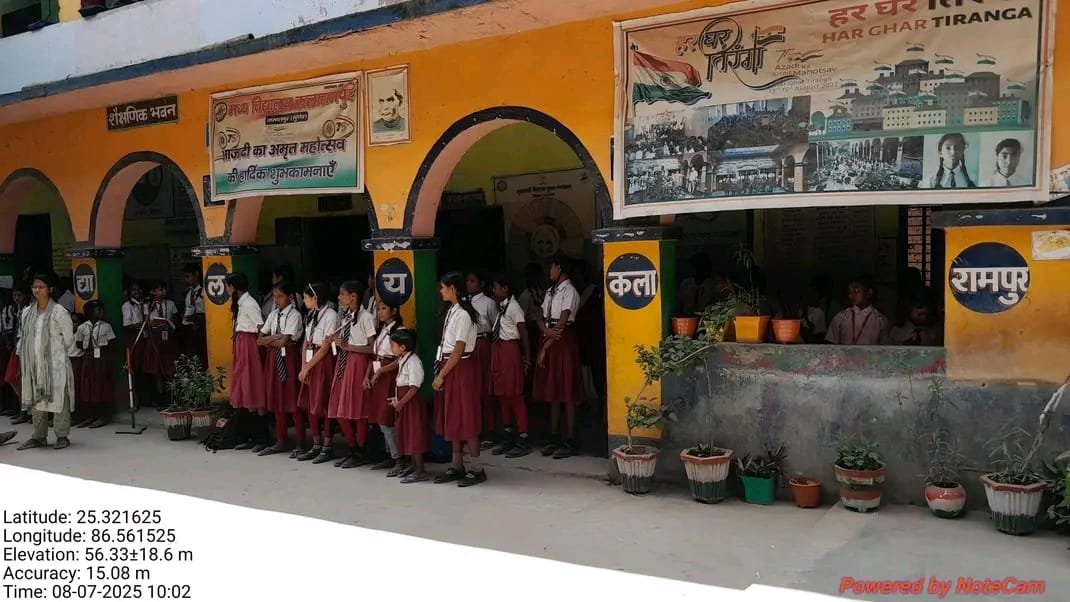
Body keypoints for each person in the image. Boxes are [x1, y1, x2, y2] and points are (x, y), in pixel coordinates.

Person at [432, 271, 485, 487]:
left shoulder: (463, 315)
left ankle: (477, 468)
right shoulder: (452, 311)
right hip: (450, 366)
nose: (440, 291)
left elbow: (458, 349)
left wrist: (441, 375)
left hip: (460, 368)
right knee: (453, 415)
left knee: (467, 416)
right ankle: (457, 465)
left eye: (443, 287)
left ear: (453, 289)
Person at [15, 273, 76, 451]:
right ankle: (39, 436)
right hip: (34, 365)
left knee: (59, 400)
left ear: (50, 289)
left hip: (56, 365)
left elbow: (69, 339)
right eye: (34, 287)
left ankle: (62, 436)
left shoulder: (59, 312)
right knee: (37, 402)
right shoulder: (27, 312)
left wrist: (60, 358)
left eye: (41, 287)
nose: (37, 290)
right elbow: (23, 337)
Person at [323, 280, 378, 468]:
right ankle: (352, 446)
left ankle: (360, 449)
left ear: (353, 296)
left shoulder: (366, 317)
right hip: (343, 362)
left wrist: (349, 346)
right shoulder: (346, 316)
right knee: (339, 408)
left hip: (358, 362)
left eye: (342, 294)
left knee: (357, 410)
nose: (339, 298)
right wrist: (335, 341)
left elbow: (372, 348)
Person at [533, 255, 583, 459]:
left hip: (562, 341)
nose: (549, 272)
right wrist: (546, 332)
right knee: (553, 390)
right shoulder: (550, 291)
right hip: (550, 336)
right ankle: (554, 435)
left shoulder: (569, 291)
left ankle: (570, 438)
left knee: (567, 391)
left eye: (551, 267)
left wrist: (546, 346)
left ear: (560, 267)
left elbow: (562, 323)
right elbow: (539, 315)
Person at [257, 282, 304, 456]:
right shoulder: (273, 314)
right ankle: (281, 440)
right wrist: (276, 337)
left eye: (280, 296)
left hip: (289, 359)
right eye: (274, 297)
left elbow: (285, 342)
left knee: (292, 401)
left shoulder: (294, 315)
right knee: (277, 401)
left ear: (290, 297)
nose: (276, 300)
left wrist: (271, 340)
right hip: (274, 359)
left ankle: (300, 442)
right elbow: (259, 340)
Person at [488, 273, 532, 457]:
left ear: (505, 289)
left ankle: (523, 437)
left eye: (496, 287)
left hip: (510, 351)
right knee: (502, 395)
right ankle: (508, 435)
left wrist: (527, 357)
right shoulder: (500, 307)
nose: (493, 290)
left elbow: (523, 333)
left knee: (515, 395)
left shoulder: (514, 307)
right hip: (498, 351)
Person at [225, 273, 269, 451]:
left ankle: (262, 438)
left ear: (234, 287)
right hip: (242, 345)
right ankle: (250, 436)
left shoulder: (250, 304)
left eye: (228, 286)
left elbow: (261, 327)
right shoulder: (241, 303)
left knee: (253, 388)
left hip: (249, 346)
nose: (227, 289)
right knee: (244, 390)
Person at [296, 283, 340, 462]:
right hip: (310, 359)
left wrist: (308, 366)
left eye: (306, 298)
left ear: (315, 298)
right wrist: (303, 366)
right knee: (310, 402)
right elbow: (306, 341)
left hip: (323, 361)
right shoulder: (311, 314)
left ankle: (327, 445)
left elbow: (325, 347)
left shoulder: (331, 316)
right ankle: (316, 442)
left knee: (325, 403)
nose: (304, 301)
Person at [387, 328, 430, 483]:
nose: (391, 348)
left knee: (414, 434)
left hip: (412, 403)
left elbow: (414, 387)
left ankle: (420, 470)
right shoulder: (403, 359)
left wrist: (401, 402)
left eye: (393, 345)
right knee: (406, 433)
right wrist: (397, 399)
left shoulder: (413, 361)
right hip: (404, 401)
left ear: (403, 347)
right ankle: (413, 466)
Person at [365, 301, 404, 472]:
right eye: (378, 309)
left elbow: (400, 359)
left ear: (394, 311)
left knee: (387, 419)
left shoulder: (400, 331)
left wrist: (381, 371)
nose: (380, 312)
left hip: (389, 376)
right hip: (378, 374)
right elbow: (375, 356)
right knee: (380, 420)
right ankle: (390, 455)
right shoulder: (382, 330)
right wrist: (367, 375)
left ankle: (398, 459)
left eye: (384, 309)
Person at [465, 271, 498, 450]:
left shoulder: (488, 303)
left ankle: (490, 430)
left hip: (483, 343)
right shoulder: (464, 302)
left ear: (482, 283)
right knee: (471, 390)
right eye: (468, 281)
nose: (469, 284)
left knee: (485, 388)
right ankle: (473, 429)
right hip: (467, 346)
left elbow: (495, 327)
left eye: (473, 281)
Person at [74, 301, 116, 429]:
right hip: (88, 358)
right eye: (98, 310)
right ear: (90, 312)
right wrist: (88, 350)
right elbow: (79, 343)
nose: (102, 312)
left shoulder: (106, 326)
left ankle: (102, 416)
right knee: (88, 386)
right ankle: (90, 416)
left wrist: (106, 360)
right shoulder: (82, 327)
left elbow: (111, 344)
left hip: (101, 358)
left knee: (100, 386)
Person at [825, 276, 891, 346]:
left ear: (869, 292)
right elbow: (831, 343)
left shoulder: (880, 319)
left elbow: (884, 346)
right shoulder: (841, 317)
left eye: (856, 291)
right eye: (849, 292)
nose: (851, 295)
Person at [142, 280, 179, 401]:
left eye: (164, 289)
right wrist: (152, 324)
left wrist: (169, 324)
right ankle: (160, 396)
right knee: (156, 368)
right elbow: (146, 322)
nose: (163, 292)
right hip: (155, 337)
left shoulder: (170, 303)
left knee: (170, 367)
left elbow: (175, 319)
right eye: (160, 290)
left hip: (168, 337)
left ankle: (174, 395)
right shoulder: (148, 305)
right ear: (153, 291)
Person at [3, 286, 30, 424]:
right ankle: (23, 409)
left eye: (19, 295)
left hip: (25, 348)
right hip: (17, 347)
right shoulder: (15, 310)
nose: (16, 298)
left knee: (22, 379)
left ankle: (26, 411)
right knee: (12, 378)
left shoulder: (28, 310)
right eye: (14, 296)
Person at [180, 264, 207, 366]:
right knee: (191, 350)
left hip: (201, 323)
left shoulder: (204, 291)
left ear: (196, 274)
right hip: (189, 324)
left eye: (188, 276)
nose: (186, 279)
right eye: (185, 277)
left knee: (202, 349)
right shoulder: (187, 292)